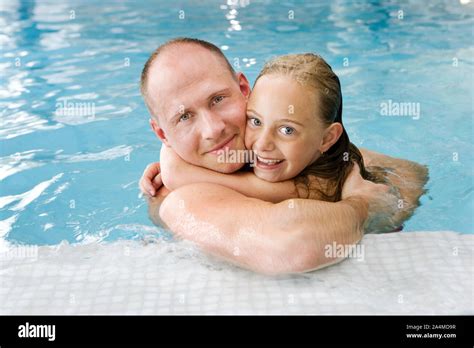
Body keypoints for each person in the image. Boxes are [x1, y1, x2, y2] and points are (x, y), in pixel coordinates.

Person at [139, 37, 428, 274]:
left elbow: (410, 172)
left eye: (217, 99)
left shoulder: (263, 150)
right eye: (184, 117)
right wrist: (362, 205)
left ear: (244, 90)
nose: (213, 129)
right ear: (163, 134)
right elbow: (294, 245)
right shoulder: (181, 201)